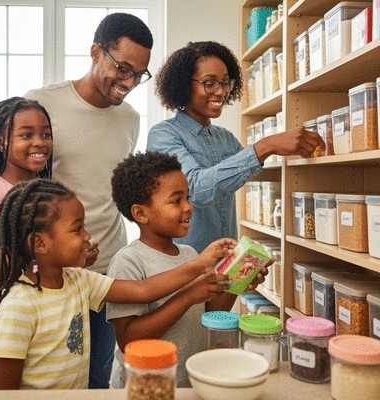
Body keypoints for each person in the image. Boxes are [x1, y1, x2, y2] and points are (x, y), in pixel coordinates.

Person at [0, 178, 234, 390]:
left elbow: (143, 289)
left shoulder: (79, 280)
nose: (87, 235)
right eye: (77, 229)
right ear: (40, 243)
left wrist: (199, 266)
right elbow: (4, 393)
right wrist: (198, 266)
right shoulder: (18, 307)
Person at [24, 13, 154, 388]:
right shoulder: (42, 102)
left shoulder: (130, 118)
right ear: (96, 51)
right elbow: (25, 190)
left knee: (99, 376)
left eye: (138, 75)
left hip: (108, 266)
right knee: (52, 378)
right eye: (123, 69)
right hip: (53, 270)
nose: (129, 83)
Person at [106, 151, 270, 387]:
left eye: (188, 198)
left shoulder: (190, 255)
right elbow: (128, 340)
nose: (188, 207)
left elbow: (210, 310)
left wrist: (239, 279)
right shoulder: (128, 263)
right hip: (147, 387)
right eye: (176, 201)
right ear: (141, 213)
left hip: (188, 381)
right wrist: (189, 295)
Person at [147, 41, 326, 253]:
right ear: (184, 85)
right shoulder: (163, 135)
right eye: (209, 83)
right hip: (184, 268)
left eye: (225, 83)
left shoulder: (225, 138)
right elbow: (195, 190)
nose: (221, 92)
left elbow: (247, 173)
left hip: (226, 263)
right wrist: (266, 145)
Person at [0, 97, 53, 390]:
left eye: (46, 134)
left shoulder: (52, 192)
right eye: (26, 135)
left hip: (48, 320)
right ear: (0, 142)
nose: (39, 142)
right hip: (1, 323)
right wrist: (38, 258)